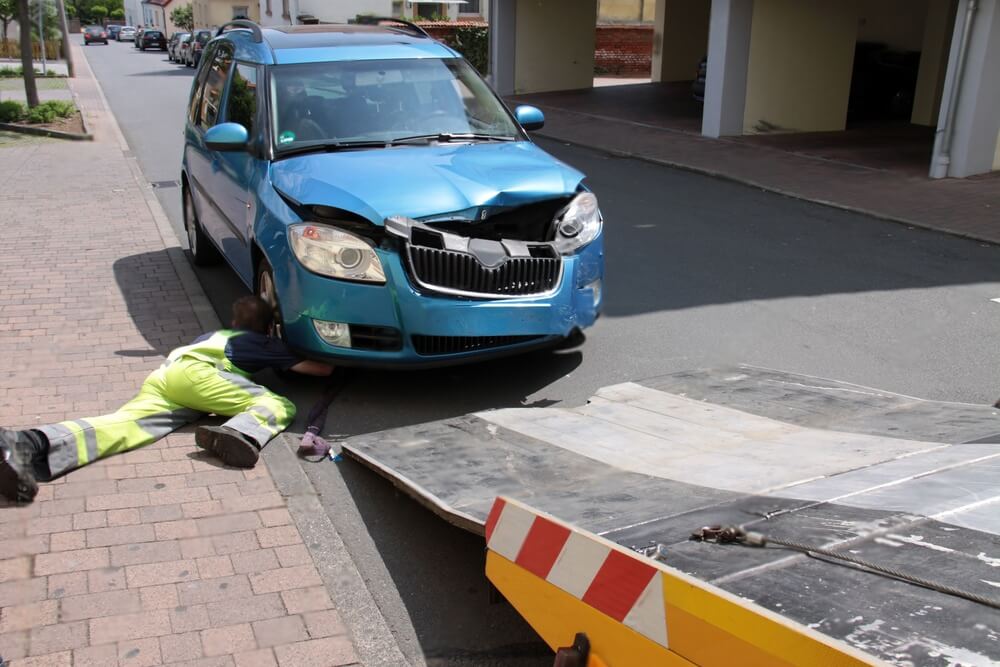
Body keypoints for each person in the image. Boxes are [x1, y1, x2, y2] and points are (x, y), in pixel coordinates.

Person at [0, 296, 333, 504]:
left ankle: (25, 443)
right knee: (278, 405)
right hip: (200, 377)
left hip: (166, 378)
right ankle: (240, 433)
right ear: (265, 327)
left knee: (122, 426)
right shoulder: (258, 342)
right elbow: (318, 368)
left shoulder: (212, 336)